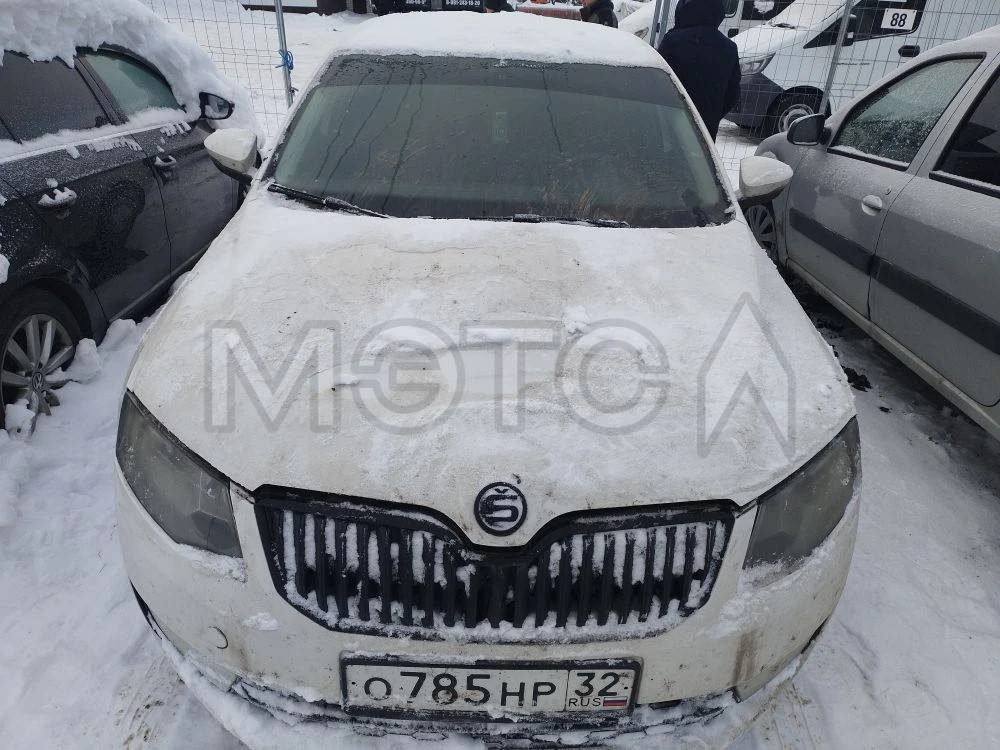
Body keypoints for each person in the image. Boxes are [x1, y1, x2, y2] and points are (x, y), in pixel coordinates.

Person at [656, 0, 740, 140]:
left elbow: (658, 81)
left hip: (670, 122)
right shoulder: (729, 48)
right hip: (706, 128)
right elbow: (733, 94)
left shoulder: (672, 41)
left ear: (684, 10)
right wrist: (712, 113)